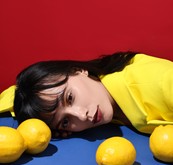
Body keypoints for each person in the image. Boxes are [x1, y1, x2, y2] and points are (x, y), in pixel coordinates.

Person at [1, 51, 173, 138]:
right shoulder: (103, 91)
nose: (82, 116)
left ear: (78, 71)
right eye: (66, 121)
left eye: (70, 98)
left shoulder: (165, 83)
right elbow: (14, 95)